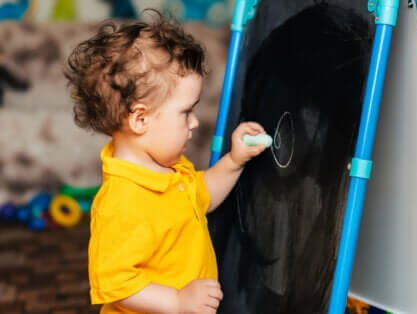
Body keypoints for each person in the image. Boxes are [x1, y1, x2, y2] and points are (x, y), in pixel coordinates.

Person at [64, 10, 267, 314]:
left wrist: (234, 160)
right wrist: (177, 301)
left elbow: (202, 196)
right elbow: (116, 284)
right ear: (141, 119)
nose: (195, 122)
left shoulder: (168, 168)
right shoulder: (123, 202)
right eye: (186, 112)